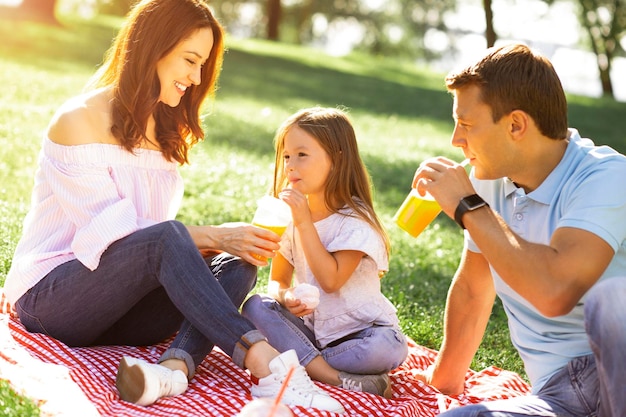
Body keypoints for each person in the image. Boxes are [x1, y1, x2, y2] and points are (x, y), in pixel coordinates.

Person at [3, 0, 345, 412]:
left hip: (121, 313)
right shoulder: (78, 121)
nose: (196, 77)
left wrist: (221, 245)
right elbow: (118, 237)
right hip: (53, 302)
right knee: (171, 237)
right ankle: (269, 365)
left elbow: (150, 253)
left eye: (202, 65)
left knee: (238, 263)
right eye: (190, 60)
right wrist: (211, 236)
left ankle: (172, 371)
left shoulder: (164, 129)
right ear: (153, 48)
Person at [410, 43, 626, 416]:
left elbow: (555, 292)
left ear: (515, 125)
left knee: (614, 300)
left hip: (612, 372)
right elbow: (474, 289)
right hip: (559, 398)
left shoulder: (607, 176)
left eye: (466, 124)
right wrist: (442, 388)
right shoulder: (491, 181)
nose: (456, 141)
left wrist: (468, 206)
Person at [241, 107, 409, 399]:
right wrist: (286, 297)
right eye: (286, 156)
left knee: (387, 347)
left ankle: (301, 362)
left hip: (363, 336)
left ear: (337, 157)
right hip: (314, 335)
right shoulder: (290, 219)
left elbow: (331, 280)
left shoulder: (355, 221)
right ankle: (336, 377)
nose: (290, 165)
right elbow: (278, 281)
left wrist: (305, 222)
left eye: (302, 155)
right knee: (256, 305)